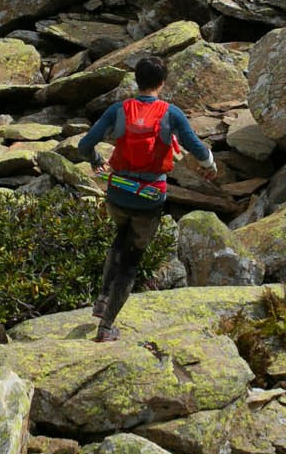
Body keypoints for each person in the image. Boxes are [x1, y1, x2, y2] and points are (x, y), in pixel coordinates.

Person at [77, 54, 217, 342]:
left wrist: (95, 160)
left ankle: (103, 297)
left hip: (118, 191)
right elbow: (196, 148)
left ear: (136, 81)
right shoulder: (171, 113)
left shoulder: (119, 110)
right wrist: (210, 166)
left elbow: (85, 144)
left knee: (119, 237)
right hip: (150, 197)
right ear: (162, 83)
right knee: (132, 260)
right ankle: (106, 328)